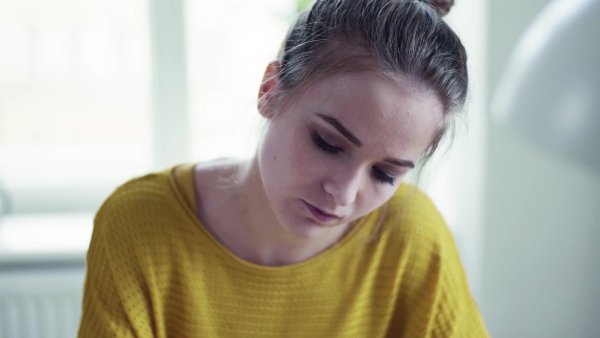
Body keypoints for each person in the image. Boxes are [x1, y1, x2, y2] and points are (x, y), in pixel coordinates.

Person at [78, 0, 489, 336]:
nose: (343, 195)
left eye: (385, 175)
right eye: (328, 143)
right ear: (270, 90)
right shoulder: (139, 226)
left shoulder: (412, 236)